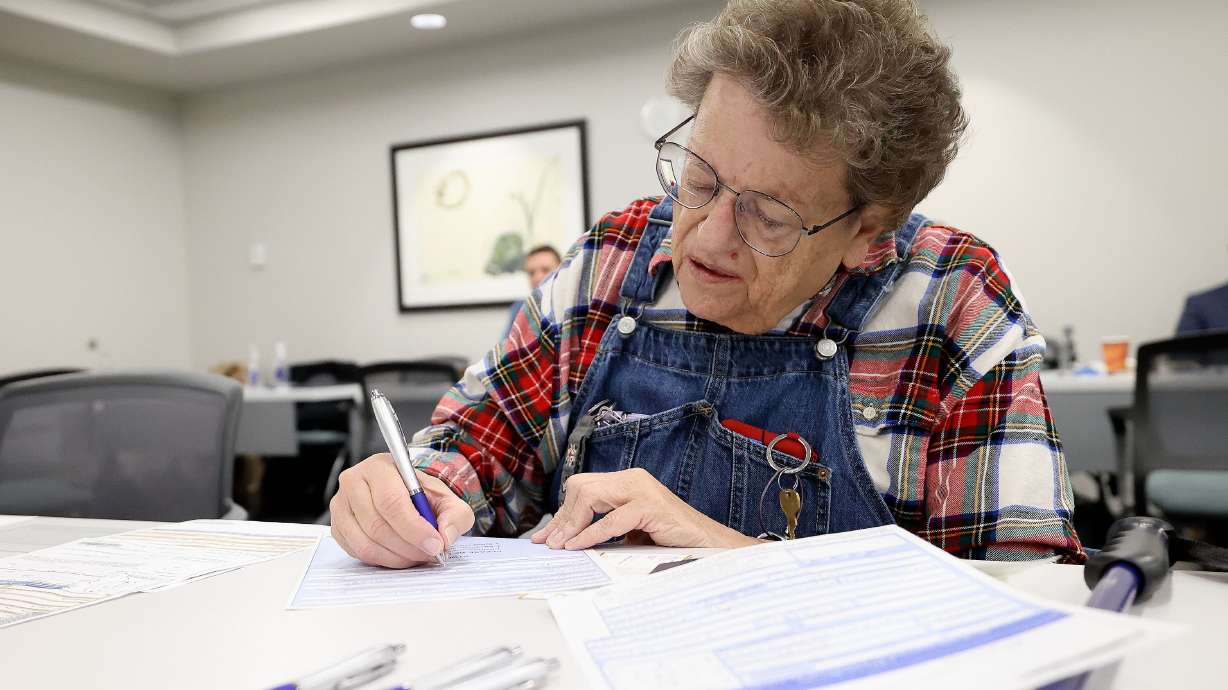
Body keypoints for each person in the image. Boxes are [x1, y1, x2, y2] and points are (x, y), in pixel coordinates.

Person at [330, 0, 1084, 568]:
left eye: (770, 216)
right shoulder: (612, 260)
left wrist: (730, 555)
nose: (707, 236)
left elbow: (1017, 591)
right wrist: (407, 494)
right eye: (699, 178)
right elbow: (474, 452)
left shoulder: (950, 303)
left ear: (868, 231)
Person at [503, 245, 561, 338]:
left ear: (562, 271)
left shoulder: (572, 305)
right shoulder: (519, 307)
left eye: (545, 270)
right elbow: (505, 348)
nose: (537, 277)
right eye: (531, 273)